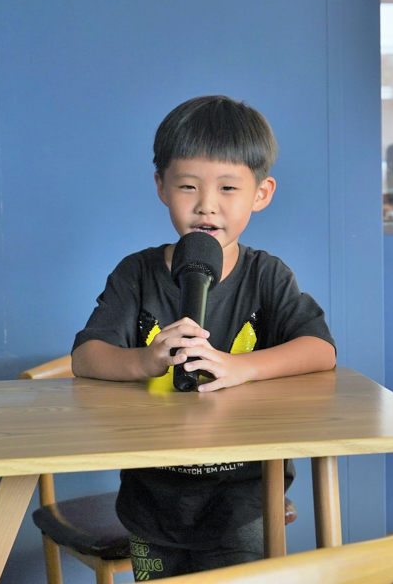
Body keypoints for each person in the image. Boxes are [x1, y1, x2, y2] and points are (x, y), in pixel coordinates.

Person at [71, 95, 337, 580]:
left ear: (261, 193)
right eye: (188, 186)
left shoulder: (267, 276)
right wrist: (143, 361)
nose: (206, 206)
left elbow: (320, 349)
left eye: (229, 188)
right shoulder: (136, 274)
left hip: (245, 497)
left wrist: (243, 367)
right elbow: (87, 356)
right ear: (161, 187)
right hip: (150, 502)